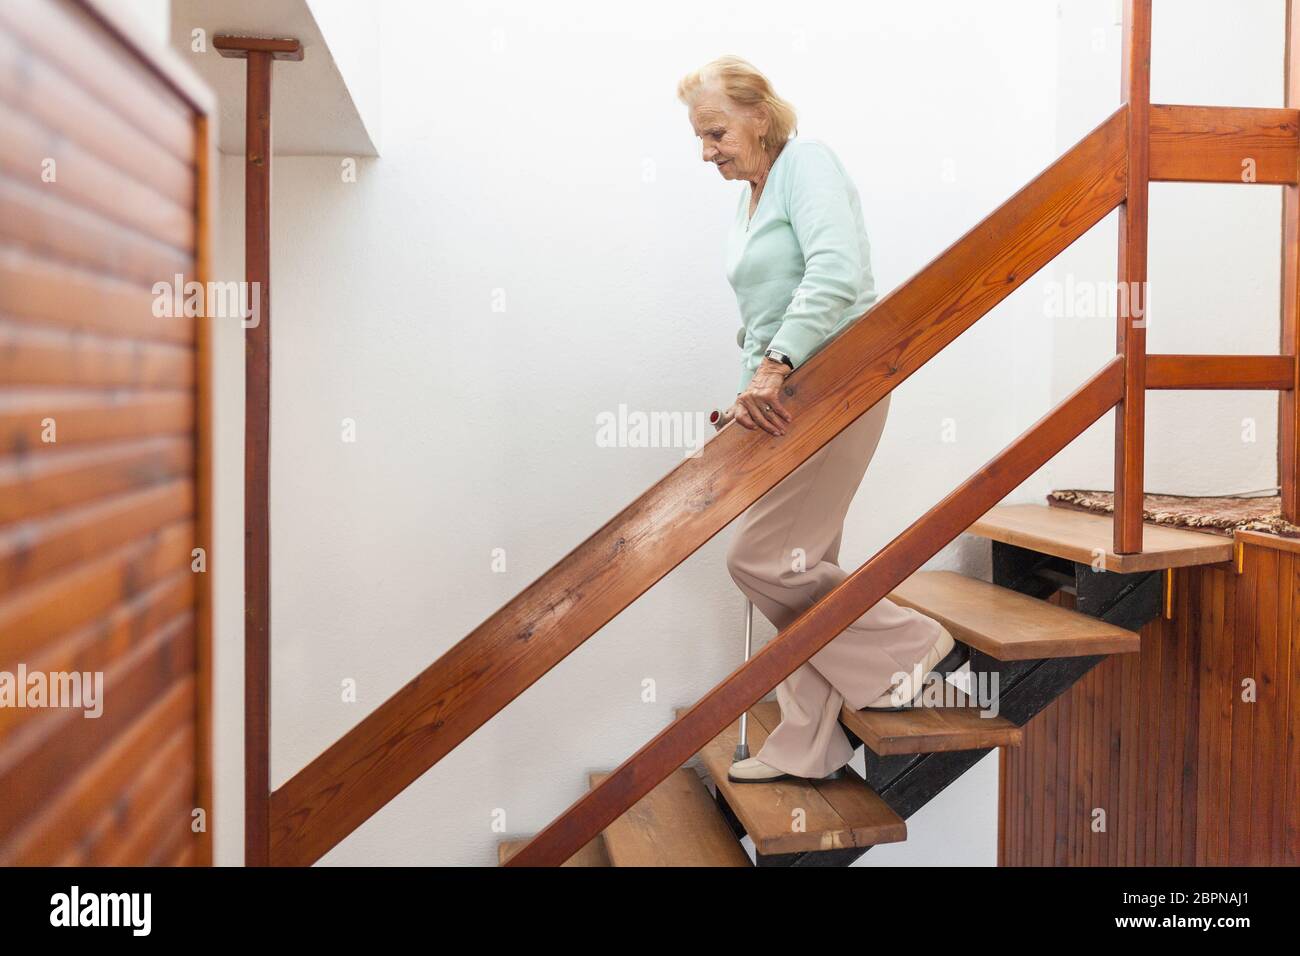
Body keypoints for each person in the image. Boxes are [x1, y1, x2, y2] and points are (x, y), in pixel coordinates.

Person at [678, 56, 966, 783]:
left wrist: (775, 366)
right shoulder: (751, 198)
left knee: (761, 561)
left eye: (715, 132)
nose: (705, 151)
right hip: (789, 402)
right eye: (700, 137)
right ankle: (809, 746)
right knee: (804, 566)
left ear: (760, 117)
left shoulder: (807, 162)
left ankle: (909, 646)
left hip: (836, 385)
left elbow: (837, 272)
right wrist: (748, 396)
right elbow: (761, 321)